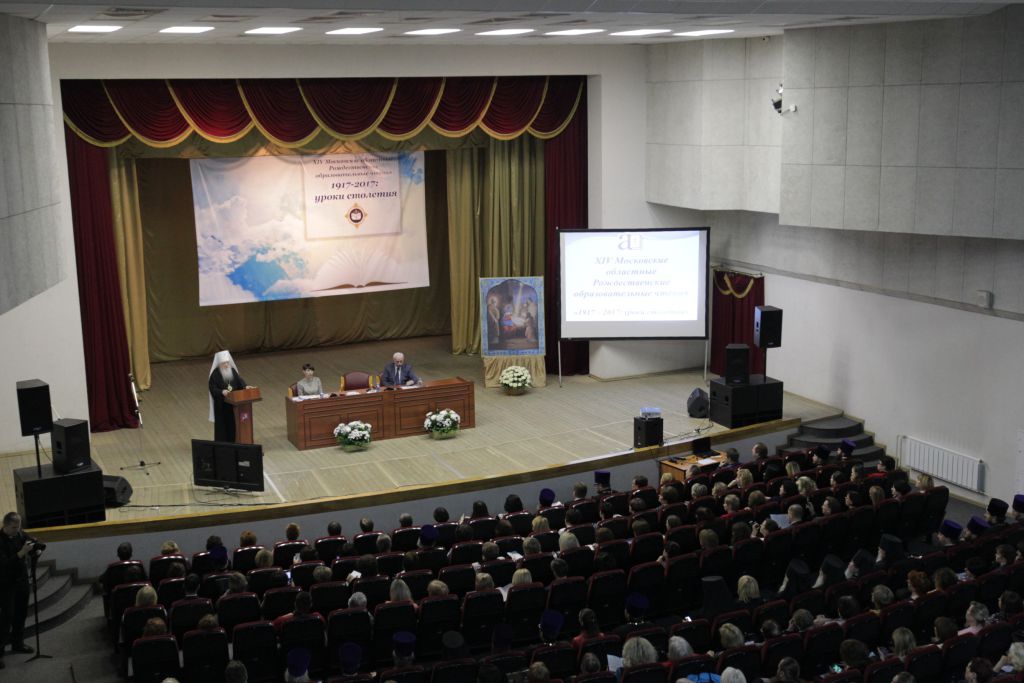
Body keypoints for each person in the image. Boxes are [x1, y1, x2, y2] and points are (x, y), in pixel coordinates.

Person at [0, 512, 36, 666]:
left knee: (21, 614)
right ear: (5, 525)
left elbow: (31, 542)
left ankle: (17, 643)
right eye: (14, 528)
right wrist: (22, 553)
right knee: (6, 618)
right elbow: (4, 565)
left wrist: (35, 547)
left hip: (22, 581)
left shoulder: (19, 534)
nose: (17, 530)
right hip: (6, 584)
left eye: (19, 527)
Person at [208, 350, 253, 442]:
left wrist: (245, 387)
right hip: (222, 406)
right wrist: (222, 392)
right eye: (224, 363)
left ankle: (234, 442)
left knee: (233, 426)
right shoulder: (215, 375)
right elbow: (213, 389)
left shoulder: (232, 371)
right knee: (223, 429)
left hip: (234, 406)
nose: (226, 365)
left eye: (227, 363)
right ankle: (223, 445)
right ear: (219, 364)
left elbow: (239, 382)